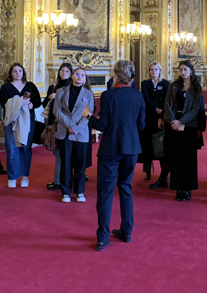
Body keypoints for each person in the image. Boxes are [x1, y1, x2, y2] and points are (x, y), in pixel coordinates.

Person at [81, 60, 145, 251]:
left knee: (106, 192)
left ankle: (102, 237)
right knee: (126, 188)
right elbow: (141, 125)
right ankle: (127, 231)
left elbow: (102, 126)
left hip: (110, 150)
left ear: (115, 75)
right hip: (132, 148)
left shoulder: (108, 95)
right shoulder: (138, 96)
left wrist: (87, 115)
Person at [163, 60, 204, 201]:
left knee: (189, 158)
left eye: (185, 69)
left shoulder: (196, 88)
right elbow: (167, 104)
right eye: (180, 69)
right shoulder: (174, 86)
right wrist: (174, 121)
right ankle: (177, 187)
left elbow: (195, 109)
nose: (182, 72)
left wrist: (182, 121)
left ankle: (187, 188)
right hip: (174, 123)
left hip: (189, 125)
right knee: (176, 157)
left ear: (191, 71)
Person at [0, 63, 43, 188]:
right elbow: (3, 103)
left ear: (23, 73)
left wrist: (31, 105)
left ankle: (25, 176)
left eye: (20, 71)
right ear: (11, 73)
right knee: (12, 148)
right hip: (12, 120)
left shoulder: (30, 86)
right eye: (15, 71)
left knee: (25, 147)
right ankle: (12, 177)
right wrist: (18, 102)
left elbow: (38, 102)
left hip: (28, 120)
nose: (17, 73)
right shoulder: (6, 87)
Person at [54, 66, 95, 203]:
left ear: (85, 78)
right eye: (77, 74)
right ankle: (65, 192)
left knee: (80, 164)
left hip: (81, 133)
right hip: (64, 131)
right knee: (65, 163)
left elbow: (89, 114)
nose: (79, 77)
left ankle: (79, 191)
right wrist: (69, 125)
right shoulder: (61, 91)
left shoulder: (89, 94)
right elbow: (57, 111)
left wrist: (76, 128)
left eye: (82, 75)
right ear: (72, 76)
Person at [44, 62, 74, 190]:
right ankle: (58, 180)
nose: (64, 73)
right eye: (62, 71)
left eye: (67, 71)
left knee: (64, 153)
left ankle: (61, 181)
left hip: (65, 124)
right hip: (53, 122)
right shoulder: (53, 86)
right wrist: (50, 97)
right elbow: (44, 104)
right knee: (57, 152)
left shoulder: (72, 87)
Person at [140, 62, 168, 182]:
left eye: (156, 69)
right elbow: (145, 99)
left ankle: (164, 174)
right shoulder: (145, 83)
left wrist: (161, 113)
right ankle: (147, 171)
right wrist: (156, 108)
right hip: (148, 117)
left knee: (161, 145)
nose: (153, 71)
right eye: (151, 69)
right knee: (147, 145)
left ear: (160, 71)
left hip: (161, 118)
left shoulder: (166, 84)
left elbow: (166, 99)